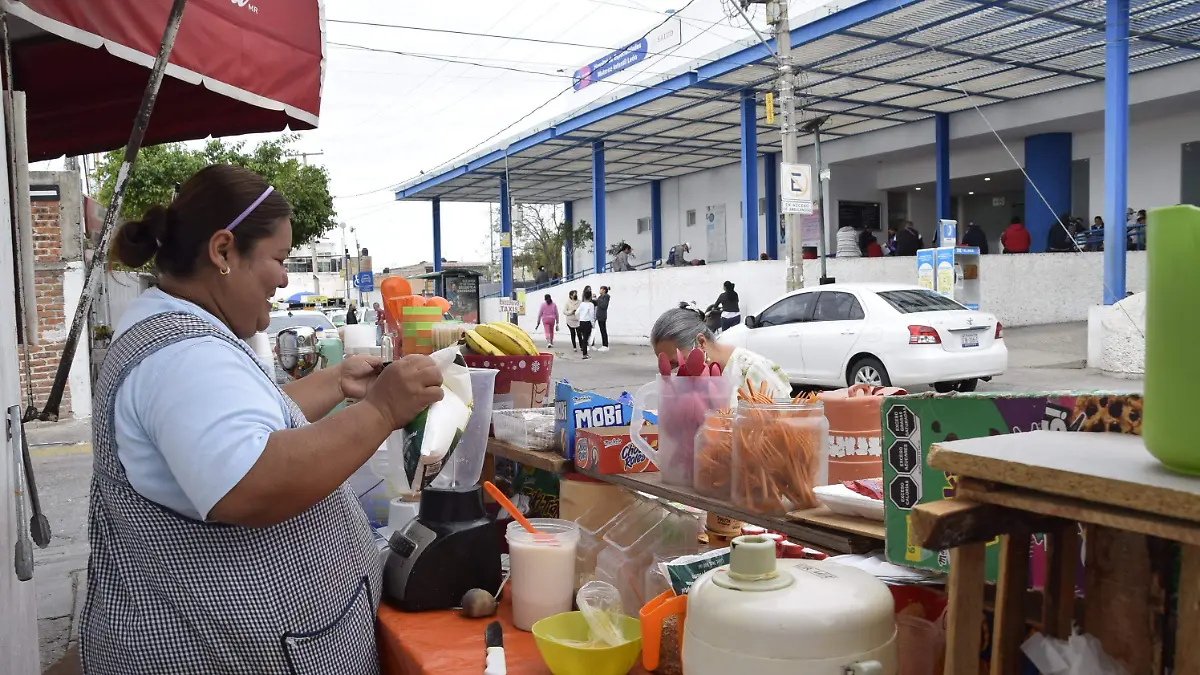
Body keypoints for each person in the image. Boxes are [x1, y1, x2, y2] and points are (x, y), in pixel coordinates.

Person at [84, 165, 445, 674]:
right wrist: (382, 410)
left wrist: (340, 383)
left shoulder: (182, 332)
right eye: (277, 258)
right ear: (223, 250)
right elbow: (250, 480)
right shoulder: (183, 356)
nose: (282, 277)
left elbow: (244, 424)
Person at [650, 307, 790, 408]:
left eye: (676, 363)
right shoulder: (690, 386)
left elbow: (785, 431)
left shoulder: (753, 371)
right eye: (666, 367)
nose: (673, 374)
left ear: (701, 343)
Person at [577, 289, 597, 360]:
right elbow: (592, 315)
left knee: (584, 338)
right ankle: (585, 354)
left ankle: (584, 353)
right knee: (586, 338)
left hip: (581, 322)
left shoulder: (582, 304)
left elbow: (576, 312)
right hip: (587, 322)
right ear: (590, 297)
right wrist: (593, 324)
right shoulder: (591, 305)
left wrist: (579, 318)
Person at [594, 286, 611, 351]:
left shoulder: (606, 296)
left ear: (604, 290)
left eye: (601, 289)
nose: (600, 290)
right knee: (602, 330)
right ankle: (604, 345)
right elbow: (597, 304)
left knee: (603, 331)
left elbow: (604, 305)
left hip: (602, 316)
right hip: (599, 315)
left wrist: (597, 300)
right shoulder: (600, 297)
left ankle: (605, 345)